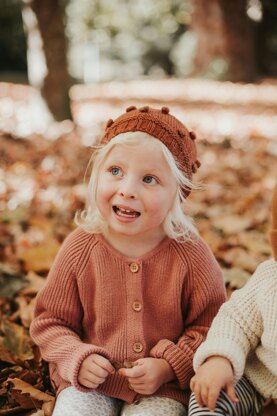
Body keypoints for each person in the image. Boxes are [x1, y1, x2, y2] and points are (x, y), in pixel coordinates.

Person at [30, 105, 226, 416]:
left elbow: (211, 327)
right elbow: (50, 322)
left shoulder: (190, 254)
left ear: (178, 192)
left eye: (149, 179)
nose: (127, 190)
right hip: (91, 382)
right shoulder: (81, 247)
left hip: (161, 388)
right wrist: (76, 358)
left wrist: (167, 366)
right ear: (97, 174)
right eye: (115, 171)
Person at [189, 184, 277, 416]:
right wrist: (220, 359)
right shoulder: (270, 277)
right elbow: (237, 321)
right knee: (209, 399)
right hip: (259, 383)